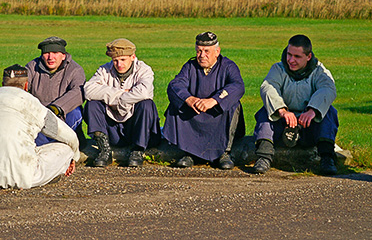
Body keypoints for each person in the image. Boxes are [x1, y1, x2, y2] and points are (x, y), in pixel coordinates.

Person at [0, 64, 80, 189]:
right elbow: (63, 133)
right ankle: (51, 174)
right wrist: (74, 156)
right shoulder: (28, 100)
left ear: (3, 83)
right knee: (66, 149)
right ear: (26, 85)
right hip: (20, 176)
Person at [253, 34, 338, 175]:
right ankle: (263, 156)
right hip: (282, 123)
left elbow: (327, 88)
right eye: (289, 54)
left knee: (329, 112)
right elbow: (268, 87)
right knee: (265, 111)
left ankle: (327, 158)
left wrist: (313, 110)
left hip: (308, 125)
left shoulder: (319, 71)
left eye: (297, 57)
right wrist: (282, 111)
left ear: (308, 57)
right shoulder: (278, 69)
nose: (291, 60)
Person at [162, 32, 245, 169]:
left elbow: (237, 86)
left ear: (217, 52)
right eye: (198, 51)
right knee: (177, 101)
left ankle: (225, 153)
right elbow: (175, 84)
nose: (201, 55)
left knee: (233, 104)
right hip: (195, 113)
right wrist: (189, 99)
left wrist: (214, 100)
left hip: (216, 114)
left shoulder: (228, 66)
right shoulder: (190, 66)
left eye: (206, 51)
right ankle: (188, 153)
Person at [83, 38, 161, 167]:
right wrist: (120, 93)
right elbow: (88, 90)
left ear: (133, 57)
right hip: (113, 128)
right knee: (92, 104)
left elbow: (144, 92)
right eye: (115, 61)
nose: (119, 64)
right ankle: (104, 150)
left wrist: (117, 100)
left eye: (123, 60)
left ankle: (137, 150)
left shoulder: (144, 70)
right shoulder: (104, 70)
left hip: (135, 127)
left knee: (146, 104)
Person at [26, 36, 87, 148]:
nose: (50, 57)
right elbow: (21, 88)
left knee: (75, 112)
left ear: (63, 56)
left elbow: (78, 92)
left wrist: (56, 108)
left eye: (55, 52)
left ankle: (69, 142)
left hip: (64, 116)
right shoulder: (32, 67)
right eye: (46, 53)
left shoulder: (75, 69)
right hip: (39, 118)